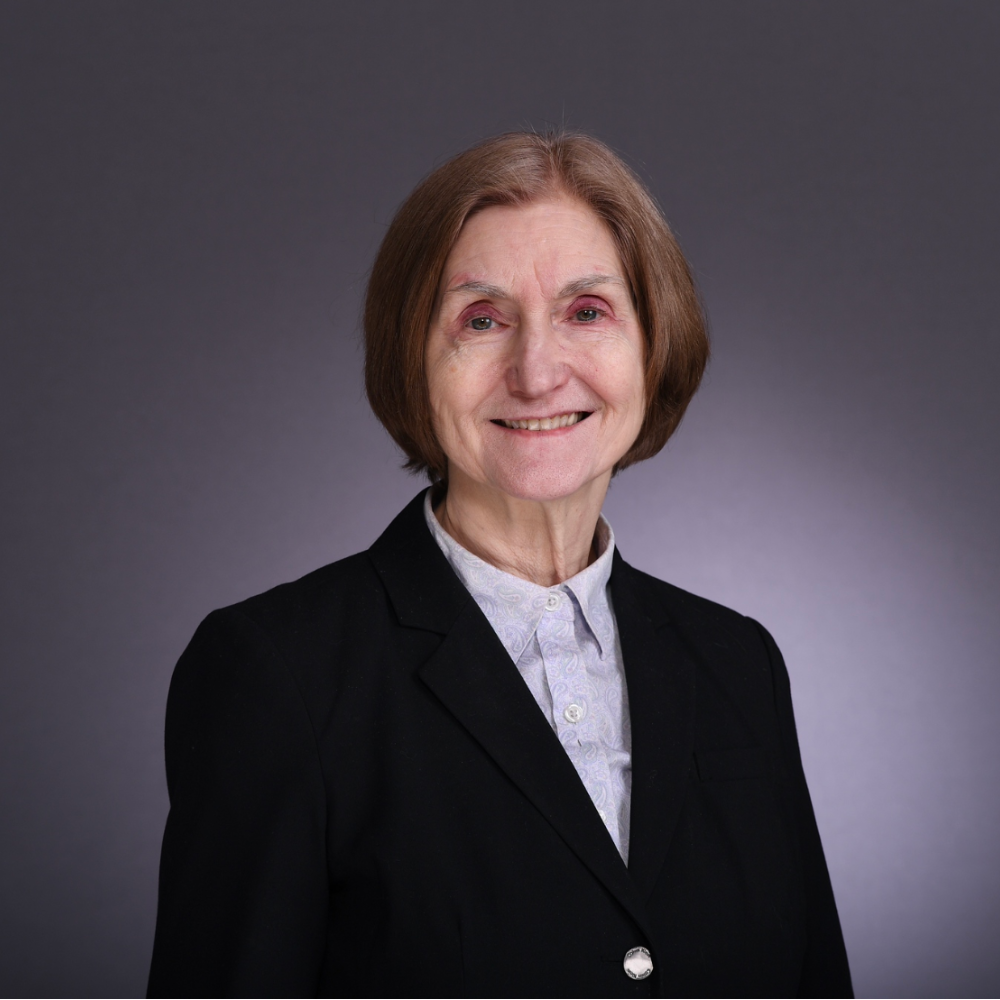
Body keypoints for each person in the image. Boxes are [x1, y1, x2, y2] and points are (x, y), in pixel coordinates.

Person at [146, 131, 853, 999]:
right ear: (414, 360)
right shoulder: (277, 673)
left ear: (653, 345)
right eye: (481, 320)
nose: (537, 369)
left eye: (586, 311)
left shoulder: (741, 663)